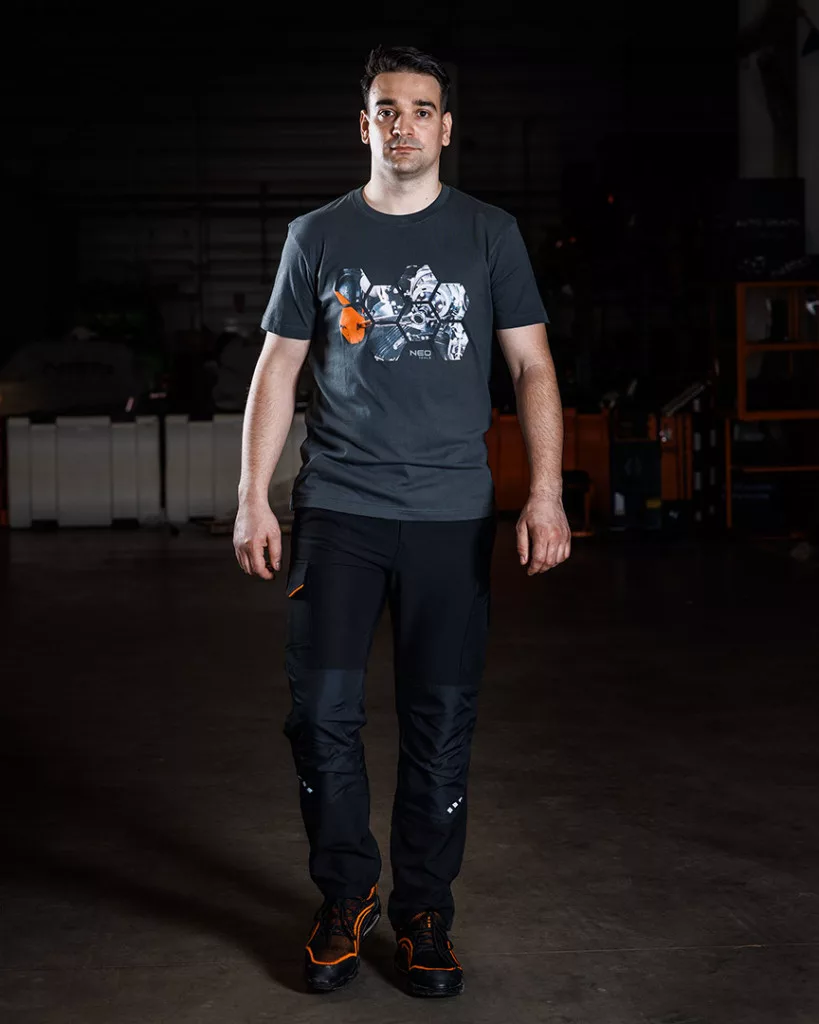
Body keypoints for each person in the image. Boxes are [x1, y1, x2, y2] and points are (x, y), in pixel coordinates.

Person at [233, 44, 570, 998]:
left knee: (440, 720)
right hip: (338, 512)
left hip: (449, 520)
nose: (404, 124)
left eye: (422, 109)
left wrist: (545, 491)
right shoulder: (316, 235)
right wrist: (252, 495)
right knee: (320, 715)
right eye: (387, 108)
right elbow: (277, 368)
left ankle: (424, 913)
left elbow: (531, 366)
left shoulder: (488, 234)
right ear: (365, 124)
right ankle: (347, 896)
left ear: (445, 128)